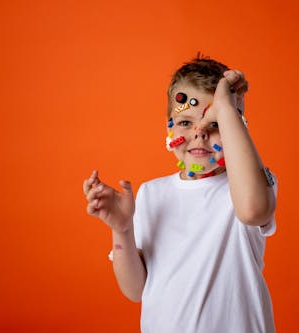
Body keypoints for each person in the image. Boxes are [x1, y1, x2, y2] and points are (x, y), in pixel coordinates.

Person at [83, 55, 278, 333]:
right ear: (168, 127)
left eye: (215, 124)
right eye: (185, 123)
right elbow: (135, 290)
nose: (199, 134)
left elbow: (253, 210)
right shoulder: (152, 194)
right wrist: (122, 229)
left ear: (237, 127)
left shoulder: (252, 182)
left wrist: (225, 108)